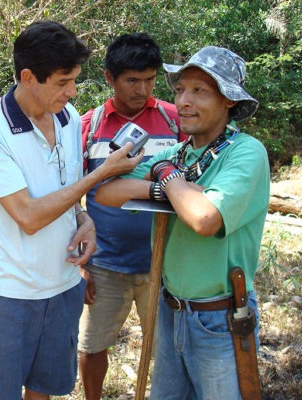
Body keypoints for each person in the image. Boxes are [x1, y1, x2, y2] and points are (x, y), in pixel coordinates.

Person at [0, 20, 143, 400]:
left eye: (74, 80)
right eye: (63, 82)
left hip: (63, 285)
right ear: (28, 77)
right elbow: (28, 216)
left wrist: (84, 218)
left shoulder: (67, 118)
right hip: (11, 292)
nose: (72, 91)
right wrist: (103, 175)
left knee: (44, 388)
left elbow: (65, 194)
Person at [95, 46, 269, 399]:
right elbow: (107, 192)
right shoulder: (177, 153)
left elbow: (204, 218)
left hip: (220, 318)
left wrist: (168, 177)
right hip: (171, 309)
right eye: (179, 90)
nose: (184, 101)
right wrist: (168, 184)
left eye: (199, 91)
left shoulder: (246, 152)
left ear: (229, 101)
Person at [78, 33, 187, 399]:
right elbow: (70, 195)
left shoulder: (176, 122)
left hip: (166, 263)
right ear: (109, 77)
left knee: (170, 351)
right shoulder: (89, 126)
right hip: (105, 263)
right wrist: (79, 264)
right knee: (92, 346)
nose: (143, 90)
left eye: (150, 80)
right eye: (132, 81)